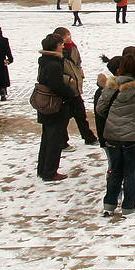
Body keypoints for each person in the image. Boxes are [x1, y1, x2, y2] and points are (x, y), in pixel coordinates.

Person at [97, 52, 135, 217]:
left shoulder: (112, 86)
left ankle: (109, 205)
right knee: (131, 172)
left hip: (112, 135)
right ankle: (128, 207)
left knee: (115, 171)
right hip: (133, 137)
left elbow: (100, 108)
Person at [37, 33, 79, 181]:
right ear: (55, 46)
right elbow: (57, 86)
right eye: (61, 44)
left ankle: (43, 169)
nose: (63, 46)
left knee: (47, 139)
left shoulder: (45, 60)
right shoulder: (54, 64)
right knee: (53, 141)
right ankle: (50, 171)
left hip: (46, 107)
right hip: (54, 107)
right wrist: (70, 93)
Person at [54, 26, 98, 147]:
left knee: (81, 114)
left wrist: (80, 75)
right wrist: (68, 79)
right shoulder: (55, 52)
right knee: (64, 118)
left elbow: (78, 62)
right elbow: (54, 72)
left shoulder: (73, 47)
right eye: (66, 36)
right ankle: (62, 142)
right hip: (65, 90)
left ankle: (89, 137)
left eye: (69, 35)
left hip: (76, 88)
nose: (69, 38)